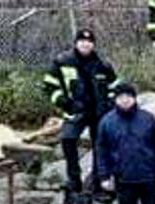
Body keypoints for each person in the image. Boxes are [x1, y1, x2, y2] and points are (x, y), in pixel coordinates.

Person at [43, 29, 119, 194]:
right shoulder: (62, 61)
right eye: (82, 41)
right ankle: (74, 181)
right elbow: (49, 85)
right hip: (75, 111)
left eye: (90, 41)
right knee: (68, 140)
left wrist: (110, 105)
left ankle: (99, 181)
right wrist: (64, 102)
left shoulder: (103, 65)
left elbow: (115, 87)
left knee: (100, 146)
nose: (86, 44)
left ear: (93, 44)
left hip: (99, 113)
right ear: (76, 43)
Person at [94, 84, 155, 204]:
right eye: (121, 97)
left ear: (134, 98)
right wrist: (104, 176)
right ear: (115, 99)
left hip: (148, 176)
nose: (125, 100)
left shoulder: (148, 119)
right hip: (123, 179)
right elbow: (101, 151)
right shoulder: (107, 122)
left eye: (128, 96)